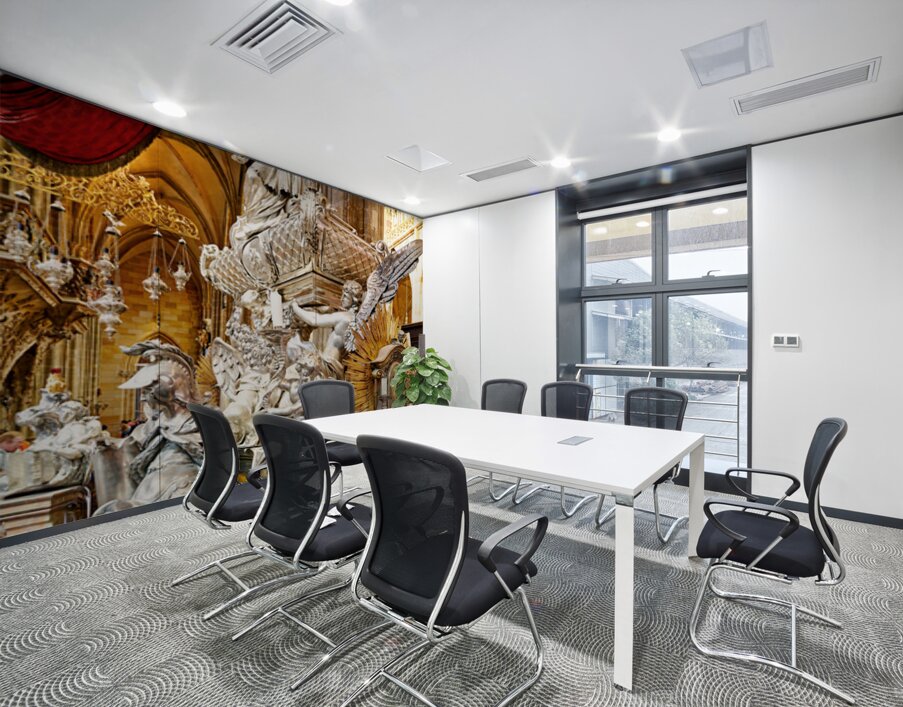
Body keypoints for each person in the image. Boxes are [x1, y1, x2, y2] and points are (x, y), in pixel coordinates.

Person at [290, 280, 362, 379]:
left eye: (345, 296)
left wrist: (295, 308)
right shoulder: (356, 321)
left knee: (293, 370)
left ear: (354, 299)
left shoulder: (344, 317)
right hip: (336, 368)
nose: (341, 299)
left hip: (327, 364)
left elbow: (314, 320)